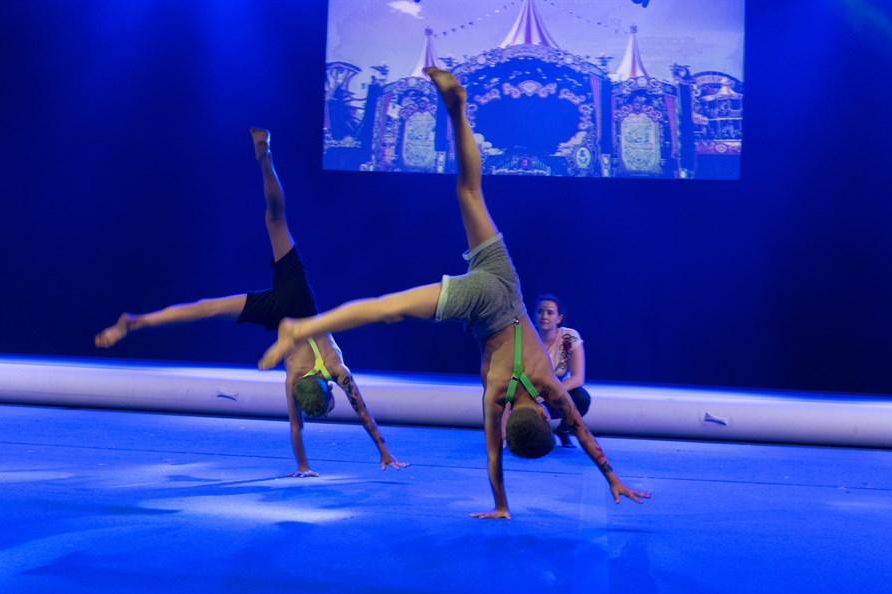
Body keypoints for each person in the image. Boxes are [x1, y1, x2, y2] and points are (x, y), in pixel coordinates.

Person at [259, 68, 650, 518]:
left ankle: (458, 109)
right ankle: (303, 327)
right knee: (389, 308)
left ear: (544, 415)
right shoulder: (496, 394)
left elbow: (582, 432)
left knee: (469, 190)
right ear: (521, 421)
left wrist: (612, 475)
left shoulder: (548, 387)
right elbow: (493, 456)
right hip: (478, 306)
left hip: (504, 283)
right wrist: (500, 505)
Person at [94, 128, 408, 478]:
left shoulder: (335, 369)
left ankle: (265, 159)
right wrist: (311, 465)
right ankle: (140, 322)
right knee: (209, 310)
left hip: (295, 302)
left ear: (327, 388)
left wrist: (377, 451)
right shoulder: (295, 377)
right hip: (286, 312)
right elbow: (297, 427)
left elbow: (360, 412)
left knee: (273, 223)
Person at [534, 295, 591, 448]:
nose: (544, 316)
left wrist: (549, 392)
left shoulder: (569, 337)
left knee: (581, 398)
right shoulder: (526, 338)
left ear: (559, 318)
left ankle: (563, 430)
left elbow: (578, 378)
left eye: (550, 312)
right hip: (530, 393)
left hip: (554, 394)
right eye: (540, 311)